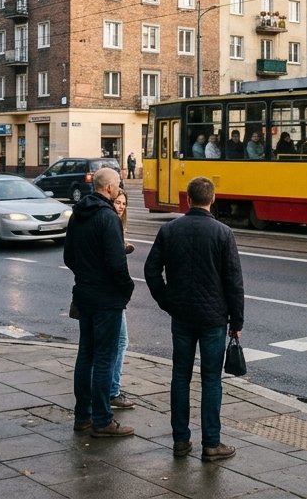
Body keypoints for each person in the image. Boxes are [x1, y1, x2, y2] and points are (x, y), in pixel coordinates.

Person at [145, 176, 244, 462]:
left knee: (180, 376)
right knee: (211, 380)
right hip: (214, 318)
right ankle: (211, 444)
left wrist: (166, 301)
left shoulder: (169, 230)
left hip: (182, 316)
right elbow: (234, 282)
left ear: (188, 199)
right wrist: (236, 322)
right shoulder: (223, 233)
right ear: (212, 199)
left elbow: (151, 271)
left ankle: (180, 441)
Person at [63, 167, 135, 437]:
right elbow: (116, 263)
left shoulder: (78, 214)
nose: (118, 188)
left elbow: (69, 256)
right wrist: (127, 288)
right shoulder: (108, 217)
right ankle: (103, 420)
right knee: (105, 358)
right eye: (117, 185)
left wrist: (86, 274)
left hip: (84, 294)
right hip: (106, 298)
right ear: (109, 188)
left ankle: (82, 416)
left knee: (86, 354)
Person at [108, 191, 137, 410]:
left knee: (101, 344)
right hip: (112, 295)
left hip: (99, 293)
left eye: (124, 203)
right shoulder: (111, 223)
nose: (121, 206)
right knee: (120, 341)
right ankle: (112, 391)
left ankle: (103, 389)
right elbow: (113, 263)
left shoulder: (111, 222)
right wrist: (128, 288)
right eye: (117, 202)